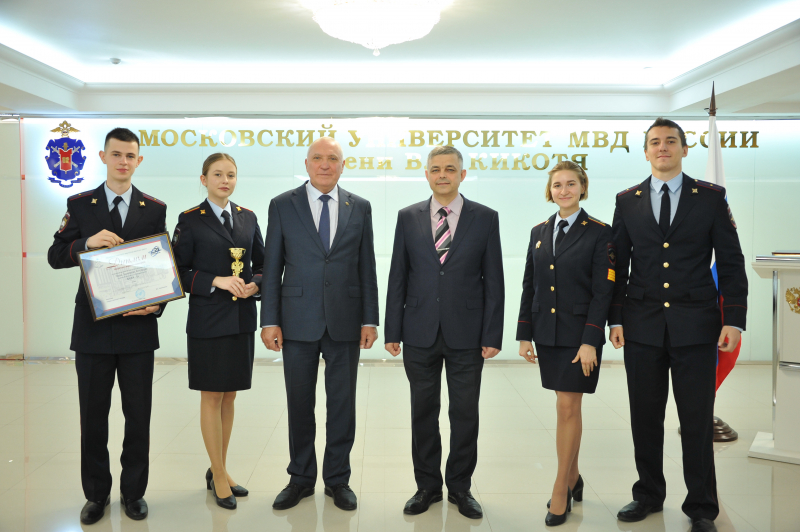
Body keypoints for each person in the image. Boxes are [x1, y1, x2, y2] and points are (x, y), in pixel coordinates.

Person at [609, 118, 747, 532]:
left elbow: (731, 261)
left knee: (696, 419)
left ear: (684, 149)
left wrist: (734, 320)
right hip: (642, 325)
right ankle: (648, 495)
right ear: (646, 152)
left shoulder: (710, 198)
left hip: (697, 325)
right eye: (655, 142)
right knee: (645, 416)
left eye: (671, 141)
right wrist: (615, 318)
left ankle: (702, 506)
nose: (663, 147)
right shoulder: (627, 201)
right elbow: (617, 264)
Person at [47, 128, 167, 525]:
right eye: (116, 154)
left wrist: (157, 304)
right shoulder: (81, 205)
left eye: (130, 156)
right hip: (93, 330)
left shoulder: (154, 208)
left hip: (137, 330)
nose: (123, 161)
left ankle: (134, 493)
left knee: (138, 416)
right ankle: (96, 495)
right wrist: (85, 243)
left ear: (139, 160)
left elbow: (161, 266)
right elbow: (54, 255)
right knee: (93, 418)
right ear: (103, 156)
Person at [384, 145, 504, 519]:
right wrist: (392, 330)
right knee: (423, 412)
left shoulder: (485, 218)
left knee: (464, 413)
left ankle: (460, 488)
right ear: (427, 174)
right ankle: (427, 487)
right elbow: (398, 276)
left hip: (467, 333)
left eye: (450, 169)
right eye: (435, 169)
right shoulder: (408, 217)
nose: (442, 175)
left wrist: (492, 334)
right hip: (418, 331)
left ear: (462, 175)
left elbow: (494, 280)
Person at [260, 137, 379, 512]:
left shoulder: (360, 206)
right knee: (299, 403)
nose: (325, 164)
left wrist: (370, 319)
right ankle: (300, 477)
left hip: (346, 320)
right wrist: (269, 320)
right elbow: (272, 266)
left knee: (342, 404)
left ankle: (338, 479)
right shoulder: (282, 205)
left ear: (343, 165)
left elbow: (367, 266)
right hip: (296, 321)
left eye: (332, 159)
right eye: (318, 158)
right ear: (307, 164)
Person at [516, 161, 614, 526]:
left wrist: (591, 340)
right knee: (563, 405)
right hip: (548, 333)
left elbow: (604, 291)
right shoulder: (539, 231)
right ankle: (574, 477)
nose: (564, 190)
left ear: (583, 188)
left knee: (568, 406)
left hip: (579, 335)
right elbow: (530, 284)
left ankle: (561, 489)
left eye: (571, 184)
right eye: (557, 185)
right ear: (550, 190)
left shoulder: (599, 232)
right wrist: (524, 333)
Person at [172, 153, 265, 510]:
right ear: (204, 179)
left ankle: (219, 470)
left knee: (230, 397)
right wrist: (216, 280)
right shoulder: (190, 220)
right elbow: (178, 271)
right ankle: (219, 473)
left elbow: (263, 264)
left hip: (241, 318)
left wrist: (255, 284)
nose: (225, 181)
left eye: (231, 175)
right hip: (208, 320)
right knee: (212, 395)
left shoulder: (248, 217)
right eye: (217, 175)